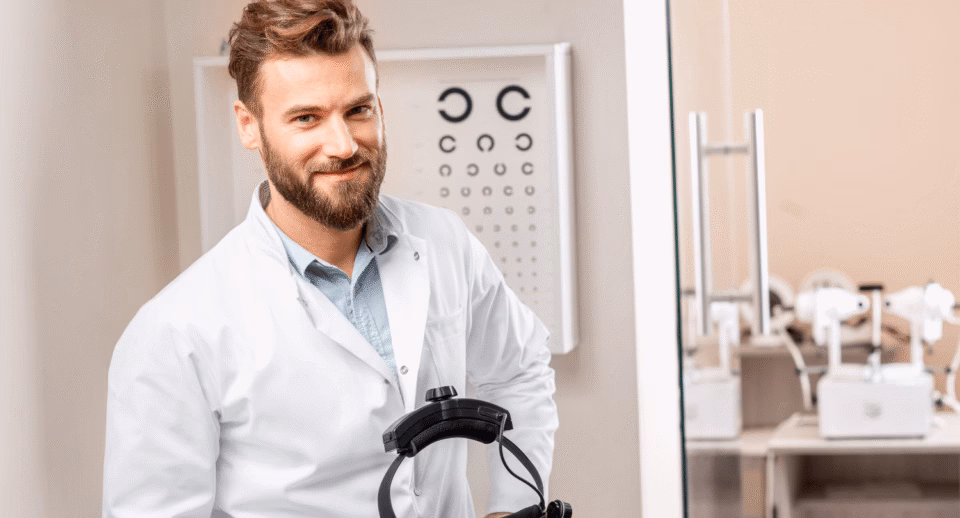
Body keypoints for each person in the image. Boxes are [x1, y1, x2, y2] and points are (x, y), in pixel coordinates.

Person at [101, 1, 559, 517]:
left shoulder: (443, 241)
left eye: (358, 110)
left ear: (379, 107)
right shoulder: (176, 331)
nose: (342, 145)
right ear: (249, 125)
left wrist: (515, 506)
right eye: (307, 118)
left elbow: (520, 368)